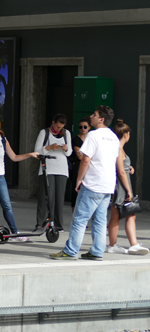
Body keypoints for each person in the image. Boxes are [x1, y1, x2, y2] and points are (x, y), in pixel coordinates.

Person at [51, 106, 119, 261]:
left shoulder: (93, 135)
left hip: (93, 183)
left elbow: (85, 159)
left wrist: (79, 178)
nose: (91, 116)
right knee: (100, 220)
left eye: (94, 115)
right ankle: (97, 251)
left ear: (101, 119)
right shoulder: (114, 137)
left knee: (80, 218)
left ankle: (70, 251)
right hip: (108, 185)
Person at [0, 116, 38, 242]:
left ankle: (15, 232)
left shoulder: (3, 141)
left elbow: (14, 157)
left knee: (7, 205)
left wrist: (30, 154)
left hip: (0, 176)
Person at [106, 120, 148, 255]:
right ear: (126, 134)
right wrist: (129, 190)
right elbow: (121, 172)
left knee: (116, 216)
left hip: (117, 186)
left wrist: (128, 167)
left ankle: (113, 245)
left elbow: (120, 167)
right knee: (130, 213)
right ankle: (133, 244)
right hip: (122, 187)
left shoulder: (117, 148)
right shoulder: (118, 149)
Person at [34, 114, 72, 232]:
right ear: (53, 122)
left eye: (61, 127)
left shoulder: (66, 134)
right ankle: (41, 223)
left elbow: (69, 152)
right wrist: (49, 147)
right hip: (47, 168)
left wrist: (65, 148)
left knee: (59, 198)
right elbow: (36, 151)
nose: (59, 129)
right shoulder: (44, 132)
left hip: (61, 169)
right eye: (57, 126)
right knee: (46, 196)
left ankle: (58, 224)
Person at [69, 116, 91, 214]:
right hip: (78, 167)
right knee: (76, 191)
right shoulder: (76, 139)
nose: (82, 129)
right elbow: (79, 156)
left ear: (89, 127)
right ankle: (75, 214)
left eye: (85, 127)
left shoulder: (91, 139)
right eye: (80, 127)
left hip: (90, 168)